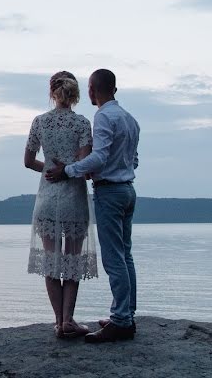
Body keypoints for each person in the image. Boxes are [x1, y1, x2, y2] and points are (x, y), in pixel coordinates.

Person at [46, 69, 140, 343]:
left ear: (92, 90)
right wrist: (102, 168)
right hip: (127, 190)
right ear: (114, 89)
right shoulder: (130, 119)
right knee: (126, 255)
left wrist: (69, 170)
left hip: (110, 192)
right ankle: (126, 314)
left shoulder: (103, 117)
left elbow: (98, 157)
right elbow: (133, 161)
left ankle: (121, 321)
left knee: (114, 259)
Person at [24, 71, 99, 339]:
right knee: (73, 260)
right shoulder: (81, 123)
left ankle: (58, 322)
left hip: (47, 197)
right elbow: (82, 164)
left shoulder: (40, 122)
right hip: (73, 198)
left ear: (52, 92)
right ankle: (68, 320)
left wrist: (50, 169)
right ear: (75, 93)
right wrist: (65, 170)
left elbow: (28, 161)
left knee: (52, 262)